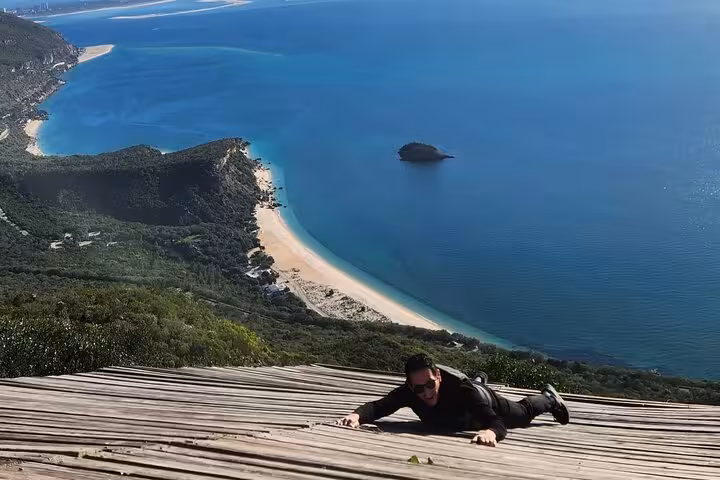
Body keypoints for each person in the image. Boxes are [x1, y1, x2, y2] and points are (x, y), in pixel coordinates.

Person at [337, 353, 570, 447]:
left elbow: (496, 423)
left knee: (522, 414)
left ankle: (549, 398)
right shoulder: (410, 391)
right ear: (409, 385)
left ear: (438, 376)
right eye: (419, 388)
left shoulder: (462, 392)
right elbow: (380, 407)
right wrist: (357, 415)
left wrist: (490, 433)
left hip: (483, 400)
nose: (426, 392)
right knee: (474, 388)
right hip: (463, 407)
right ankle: (479, 378)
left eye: (430, 384)